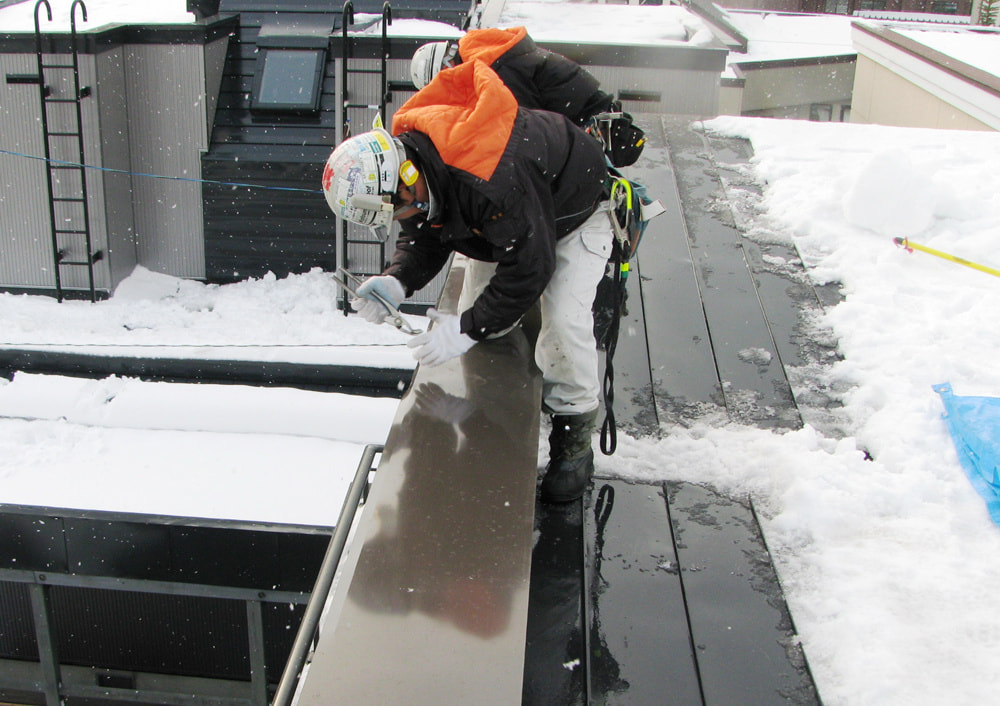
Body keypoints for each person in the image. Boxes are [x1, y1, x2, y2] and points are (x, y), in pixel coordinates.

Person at [321, 60, 612, 503]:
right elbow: (427, 231)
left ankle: (574, 439)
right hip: (507, 221)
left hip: (575, 213)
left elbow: (532, 267)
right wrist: (397, 280)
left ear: (407, 177)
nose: (402, 219)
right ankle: (494, 422)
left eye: (397, 209)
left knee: (562, 329)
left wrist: (466, 327)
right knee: (486, 322)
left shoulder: (489, 173)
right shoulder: (417, 166)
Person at [410, 26, 645, 169]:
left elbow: (526, 127)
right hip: (588, 114)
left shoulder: (494, 69)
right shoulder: (491, 52)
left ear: (446, 67)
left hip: (590, 122)